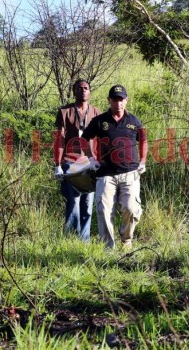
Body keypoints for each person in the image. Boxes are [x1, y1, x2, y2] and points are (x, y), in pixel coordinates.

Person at [82, 84, 148, 249]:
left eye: (121, 100)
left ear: (126, 100)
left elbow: (144, 141)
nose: (118, 103)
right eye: (114, 100)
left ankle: (126, 239)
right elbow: (83, 140)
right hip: (105, 174)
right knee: (104, 211)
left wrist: (143, 161)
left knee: (131, 209)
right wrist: (91, 159)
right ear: (109, 100)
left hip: (131, 172)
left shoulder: (134, 121)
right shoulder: (99, 121)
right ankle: (108, 248)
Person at [54, 79, 101, 242]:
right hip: (70, 161)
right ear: (74, 91)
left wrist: (100, 160)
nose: (83, 91)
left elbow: (101, 139)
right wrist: (57, 164)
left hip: (90, 162)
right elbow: (59, 139)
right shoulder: (65, 111)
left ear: (90, 91)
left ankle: (84, 241)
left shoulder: (96, 112)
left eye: (86, 88)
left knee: (88, 203)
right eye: (79, 88)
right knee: (73, 201)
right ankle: (71, 240)